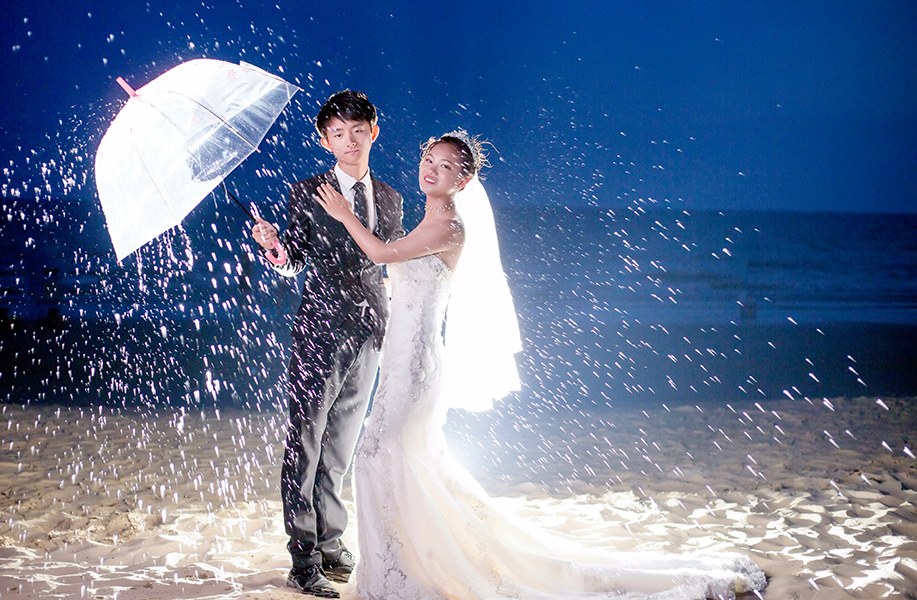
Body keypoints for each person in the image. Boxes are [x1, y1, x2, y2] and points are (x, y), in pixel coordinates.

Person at [314, 130, 768, 600]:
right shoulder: (427, 223)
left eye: (446, 166)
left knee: (377, 455)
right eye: (430, 159)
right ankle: (409, 564)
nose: (432, 169)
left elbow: (380, 253)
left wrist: (345, 215)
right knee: (400, 460)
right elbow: (401, 279)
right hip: (399, 358)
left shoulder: (449, 226)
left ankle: (402, 573)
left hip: (416, 365)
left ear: (463, 181)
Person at [250, 90, 405, 598]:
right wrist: (274, 247)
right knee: (306, 440)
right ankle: (303, 559)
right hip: (320, 329)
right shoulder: (306, 192)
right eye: (338, 133)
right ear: (324, 140)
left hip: (372, 330)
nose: (349, 140)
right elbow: (294, 260)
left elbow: (391, 259)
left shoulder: (390, 197)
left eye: (358, 131)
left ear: (373, 132)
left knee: (340, 445)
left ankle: (332, 543)